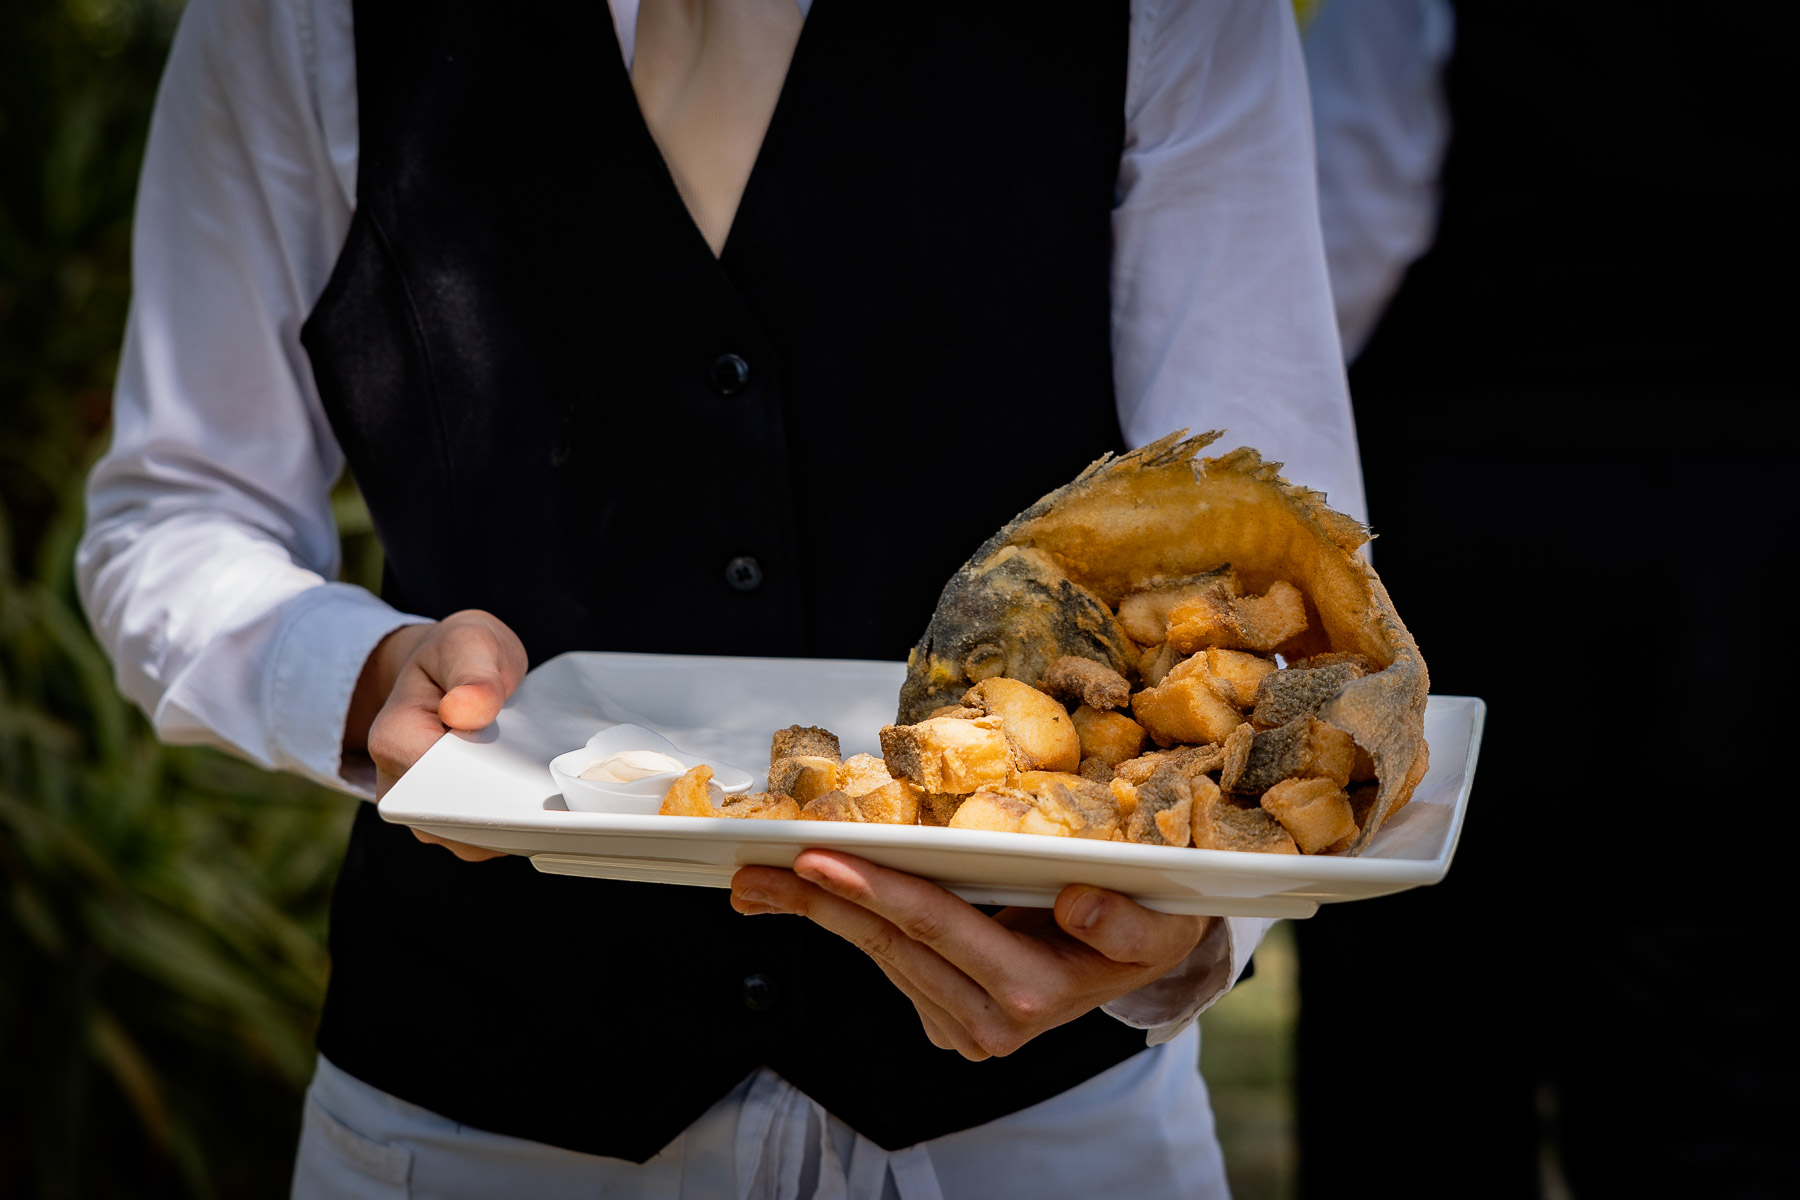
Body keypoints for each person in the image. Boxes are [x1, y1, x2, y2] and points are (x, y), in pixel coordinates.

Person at [79, 0, 1364, 1194]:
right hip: (476, 1112)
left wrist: (1181, 940)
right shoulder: (291, 15)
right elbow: (178, 512)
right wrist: (360, 680)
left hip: (1044, 1138)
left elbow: (1280, 578)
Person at [1295, 2, 1791, 1194]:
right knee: (1731, 1039)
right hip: (1761, 538)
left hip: (1480, 543)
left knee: (1422, 1026)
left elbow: (1331, 248)